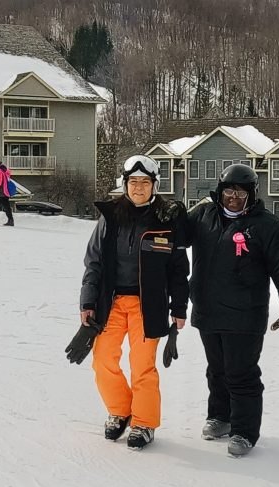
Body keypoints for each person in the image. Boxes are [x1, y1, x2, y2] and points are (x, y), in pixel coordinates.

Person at [68, 155, 189, 449]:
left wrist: (179, 308)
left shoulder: (166, 219)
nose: (138, 187)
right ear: (125, 185)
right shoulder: (110, 217)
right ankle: (121, 410)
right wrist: (87, 302)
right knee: (102, 360)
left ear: (154, 185)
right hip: (111, 302)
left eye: (145, 182)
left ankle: (144, 422)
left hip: (148, 306)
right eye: (133, 182)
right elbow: (93, 262)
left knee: (142, 365)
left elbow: (178, 269)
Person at [186, 164, 279, 457]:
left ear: (252, 194)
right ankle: (221, 417)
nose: (233, 197)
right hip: (208, 309)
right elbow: (176, 235)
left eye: (240, 192)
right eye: (229, 191)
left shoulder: (266, 225)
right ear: (220, 192)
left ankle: (244, 431)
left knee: (241, 373)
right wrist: (170, 214)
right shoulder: (204, 216)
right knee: (217, 371)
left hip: (245, 314)